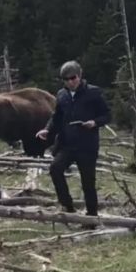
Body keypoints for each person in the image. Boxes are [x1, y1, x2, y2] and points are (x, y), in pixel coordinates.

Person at [36, 61, 111, 222]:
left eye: (73, 78)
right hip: (66, 144)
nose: (70, 82)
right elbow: (56, 117)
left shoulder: (94, 93)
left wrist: (94, 123)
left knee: (88, 182)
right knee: (55, 169)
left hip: (87, 145)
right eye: (66, 79)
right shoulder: (61, 95)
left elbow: (107, 115)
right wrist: (47, 129)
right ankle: (67, 207)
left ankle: (91, 217)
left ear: (80, 76)